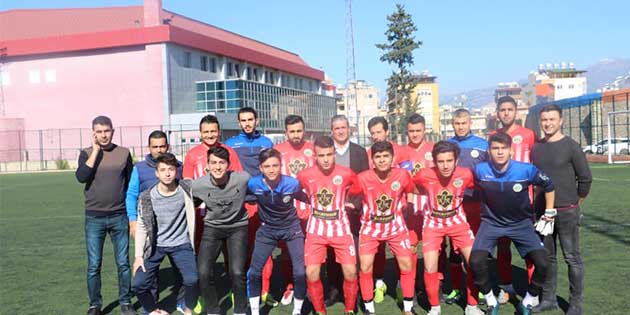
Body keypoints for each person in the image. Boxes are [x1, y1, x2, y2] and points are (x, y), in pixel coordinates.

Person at [470, 132, 555, 315]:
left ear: (510, 151)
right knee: (476, 261)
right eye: (495, 148)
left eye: (503, 148)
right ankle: (492, 301)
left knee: (543, 262)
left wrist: (549, 213)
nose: (499, 152)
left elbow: (549, 185)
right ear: (489, 151)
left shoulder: (526, 170)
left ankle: (529, 300)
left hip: (521, 224)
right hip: (491, 223)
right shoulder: (480, 170)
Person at [531, 104, 592, 315]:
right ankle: (548, 298)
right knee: (547, 257)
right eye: (544, 120)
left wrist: (575, 203)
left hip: (567, 211)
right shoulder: (536, 147)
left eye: (552, 119)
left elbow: (585, 179)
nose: (548, 123)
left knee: (572, 257)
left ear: (561, 120)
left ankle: (575, 304)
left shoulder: (571, 146)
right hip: (542, 213)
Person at [75, 115, 136, 315]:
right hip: (94, 218)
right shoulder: (86, 153)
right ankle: (95, 305)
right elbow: (81, 177)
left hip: (119, 216)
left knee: (123, 263)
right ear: (93, 133)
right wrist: (95, 151)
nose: (103, 135)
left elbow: (130, 185)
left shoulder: (124, 153)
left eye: (106, 131)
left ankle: (126, 302)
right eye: (99, 132)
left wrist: (131, 215)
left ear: (112, 131)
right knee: (94, 265)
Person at [413, 141, 482, 315]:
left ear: (456, 160)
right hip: (432, 226)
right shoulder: (424, 175)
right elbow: (412, 186)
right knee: (430, 267)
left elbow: (478, 187)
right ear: (434, 162)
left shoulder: (465, 174)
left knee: (474, 262)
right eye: (441, 161)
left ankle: (472, 306)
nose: (445, 166)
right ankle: (435, 308)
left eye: (449, 160)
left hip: (458, 224)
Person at [182, 114, 243, 313]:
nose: (210, 135)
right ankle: (204, 298)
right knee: (202, 262)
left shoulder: (229, 152)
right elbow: (188, 185)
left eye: (213, 131)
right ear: (200, 133)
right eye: (206, 132)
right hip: (204, 216)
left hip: (229, 214)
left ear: (219, 132)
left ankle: (236, 292)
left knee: (233, 263)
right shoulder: (192, 154)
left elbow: (238, 181)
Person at [297, 136, 361, 315]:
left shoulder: (346, 173)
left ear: (334, 153)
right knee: (311, 273)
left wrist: (354, 203)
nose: (325, 159)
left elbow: (358, 190)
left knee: (350, 272)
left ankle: (349, 309)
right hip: (316, 231)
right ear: (315, 156)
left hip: (340, 229)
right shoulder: (305, 175)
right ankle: (320, 310)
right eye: (321, 155)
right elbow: (296, 194)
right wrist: (303, 212)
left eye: (329, 154)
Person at [353, 141, 416, 315]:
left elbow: (410, 189)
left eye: (385, 156)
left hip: (396, 228)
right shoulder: (363, 177)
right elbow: (352, 195)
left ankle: (409, 308)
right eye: (378, 157)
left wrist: (409, 204)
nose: (381, 160)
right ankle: (369, 308)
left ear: (392, 158)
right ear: (372, 159)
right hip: (369, 229)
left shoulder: (403, 175)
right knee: (365, 268)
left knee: (406, 265)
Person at [132, 153, 199, 315]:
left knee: (192, 279)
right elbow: (141, 225)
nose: (167, 173)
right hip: (156, 246)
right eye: (163, 170)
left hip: (182, 244)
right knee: (138, 284)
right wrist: (138, 256)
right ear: (156, 173)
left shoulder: (187, 189)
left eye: (171, 169)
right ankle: (153, 310)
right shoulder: (147, 196)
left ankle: (188, 309)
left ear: (177, 170)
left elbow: (208, 188)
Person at [125, 130, 184, 313]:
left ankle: (182, 302)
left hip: (175, 228)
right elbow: (131, 195)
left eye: (162, 146)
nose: (159, 150)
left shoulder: (178, 166)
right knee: (149, 269)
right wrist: (133, 220)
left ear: (167, 146)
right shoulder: (140, 168)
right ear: (149, 148)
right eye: (155, 146)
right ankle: (151, 306)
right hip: (151, 229)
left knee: (180, 267)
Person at [224, 107, 277, 306]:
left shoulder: (266, 143)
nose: (247, 123)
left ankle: (264, 290)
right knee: (241, 250)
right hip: (240, 204)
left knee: (265, 248)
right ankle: (241, 290)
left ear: (257, 120)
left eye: (250, 119)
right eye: (243, 120)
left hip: (263, 203)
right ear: (239, 123)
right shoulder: (231, 144)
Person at [247, 148, 308, 315]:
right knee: (254, 272)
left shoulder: (292, 183)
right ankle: (254, 312)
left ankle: (297, 311)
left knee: (300, 272)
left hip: (291, 228)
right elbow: (240, 197)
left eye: (275, 165)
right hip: (267, 229)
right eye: (267, 166)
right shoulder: (253, 184)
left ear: (281, 166)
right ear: (260, 168)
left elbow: (309, 198)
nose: (271, 170)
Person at [192, 146, 250, 315]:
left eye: (222, 163)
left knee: (237, 272)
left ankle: (240, 310)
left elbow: (260, 187)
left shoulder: (242, 179)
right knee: (202, 272)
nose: (217, 167)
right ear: (207, 165)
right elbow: (186, 203)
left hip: (237, 227)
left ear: (229, 164)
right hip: (213, 228)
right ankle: (213, 310)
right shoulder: (198, 185)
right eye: (213, 163)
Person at [492, 95, 537, 302]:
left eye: (510, 109)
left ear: (516, 111)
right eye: (503, 110)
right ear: (497, 113)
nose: (506, 113)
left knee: (528, 247)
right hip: (501, 203)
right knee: (503, 248)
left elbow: (536, 168)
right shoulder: (493, 136)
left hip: (523, 202)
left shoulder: (528, 135)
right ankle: (507, 288)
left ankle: (532, 291)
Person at [445, 108, 488, 305]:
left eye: (464, 123)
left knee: (477, 248)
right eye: (457, 123)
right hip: (454, 205)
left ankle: (480, 288)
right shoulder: (448, 145)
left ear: (470, 124)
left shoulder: (482, 145)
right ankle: (456, 288)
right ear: (452, 124)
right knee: (454, 250)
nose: (460, 127)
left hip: (477, 203)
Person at [366, 116, 411, 303]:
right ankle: (379, 283)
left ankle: (403, 286)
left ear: (387, 131)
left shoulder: (399, 151)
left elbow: (408, 177)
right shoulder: (368, 153)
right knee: (377, 251)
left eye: (379, 132)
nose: (376, 136)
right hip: (375, 214)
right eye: (373, 133)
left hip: (398, 211)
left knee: (405, 251)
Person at [326, 114, 369, 307]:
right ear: (332, 131)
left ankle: (357, 290)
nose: (341, 131)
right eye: (337, 128)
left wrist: (356, 204)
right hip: (331, 212)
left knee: (355, 253)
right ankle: (335, 289)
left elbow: (365, 181)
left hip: (352, 212)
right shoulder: (326, 152)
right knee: (332, 254)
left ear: (349, 129)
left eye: (344, 127)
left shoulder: (359, 152)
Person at [273, 115, 315, 305]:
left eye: (299, 131)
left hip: (310, 210)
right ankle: (290, 286)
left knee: (310, 251)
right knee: (286, 251)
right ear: (286, 132)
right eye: (292, 131)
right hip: (287, 211)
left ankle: (307, 286)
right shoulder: (277, 151)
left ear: (304, 130)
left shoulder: (313, 150)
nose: (296, 135)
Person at [399, 113, 434, 302]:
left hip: (431, 205)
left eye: (418, 130)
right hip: (410, 205)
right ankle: (410, 285)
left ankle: (436, 281)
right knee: (411, 246)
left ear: (424, 130)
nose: (415, 134)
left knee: (434, 248)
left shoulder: (434, 149)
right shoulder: (402, 152)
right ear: (407, 131)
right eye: (411, 131)